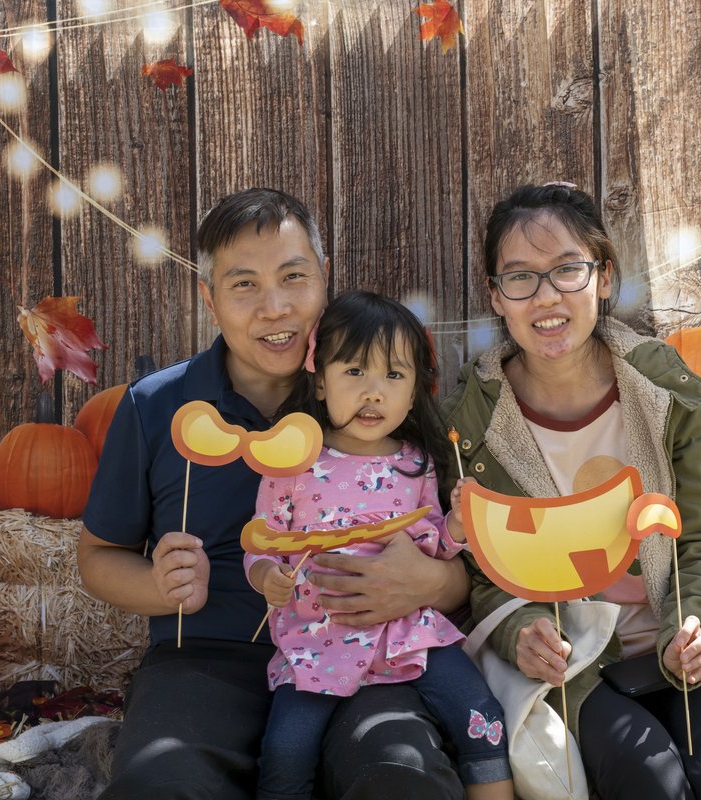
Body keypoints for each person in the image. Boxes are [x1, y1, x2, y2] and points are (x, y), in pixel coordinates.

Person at [440, 183, 701, 800]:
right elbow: (490, 568)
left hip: (683, 641)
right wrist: (524, 632)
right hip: (580, 666)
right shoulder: (476, 425)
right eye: (521, 278)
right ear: (497, 296)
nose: (546, 297)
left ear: (602, 277)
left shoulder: (666, 396)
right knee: (648, 779)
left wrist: (694, 627)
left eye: (567, 270)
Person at [78, 188, 469, 800]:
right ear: (209, 298)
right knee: (160, 783)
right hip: (206, 658)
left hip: (365, 655)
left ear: (324, 278)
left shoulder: (388, 408)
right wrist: (157, 586)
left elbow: (457, 552)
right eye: (244, 286)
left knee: (402, 776)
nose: (276, 308)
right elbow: (97, 556)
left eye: (294, 277)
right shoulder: (157, 407)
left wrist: (433, 584)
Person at [246, 290, 513, 800]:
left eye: (393, 376)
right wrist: (267, 578)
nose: (374, 392)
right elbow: (262, 542)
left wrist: (458, 525)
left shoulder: (416, 462)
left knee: (480, 715)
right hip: (319, 638)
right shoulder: (293, 464)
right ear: (320, 381)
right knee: (285, 749)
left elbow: (431, 546)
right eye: (354, 372)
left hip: (409, 631)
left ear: (414, 394)